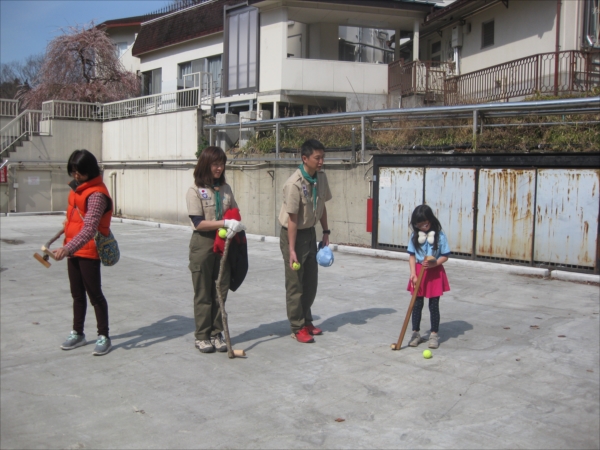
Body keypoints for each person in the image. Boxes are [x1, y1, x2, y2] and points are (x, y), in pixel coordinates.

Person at [53, 149, 114, 356]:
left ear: (90, 170)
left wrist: (67, 248)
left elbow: (89, 229)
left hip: (89, 250)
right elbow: (74, 219)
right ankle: (78, 333)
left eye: (79, 172)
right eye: (72, 171)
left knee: (95, 295)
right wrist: (65, 232)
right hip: (73, 248)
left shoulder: (97, 194)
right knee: (77, 295)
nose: (75, 175)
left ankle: (104, 336)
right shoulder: (77, 189)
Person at [186, 146, 246, 354]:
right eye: (215, 163)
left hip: (224, 244)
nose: (219, 168)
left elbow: (235, 212)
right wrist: (224, 223)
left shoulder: (226, 189)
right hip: (203, 244)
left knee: (220, 289)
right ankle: (202, 336)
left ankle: (216, 332)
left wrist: (235, 224)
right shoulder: (195, 190)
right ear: (205, 164)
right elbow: (198, 223)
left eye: (222, 163)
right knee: (203, 291)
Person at [279, 139, 332, 344]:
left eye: (322, 157)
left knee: (310, 281)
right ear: (305, 158)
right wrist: (291, 250)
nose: (321, 162)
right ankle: (297, 326)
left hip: (310, 233)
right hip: (293, 234)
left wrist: (325, 231)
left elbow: (322, 205)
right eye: (317, 158)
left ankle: (307, 320)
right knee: (295, 283)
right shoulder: (294, 184)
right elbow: (292, 220)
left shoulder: (321, 177)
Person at [406, 205, 451, 349]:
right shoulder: (414, 236)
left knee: (433, 305)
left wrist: (435, 264)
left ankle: (433, 335)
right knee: (417, 304)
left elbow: (445, 256)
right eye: (419, 225)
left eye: (425, 224)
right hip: (419, 271)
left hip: (434, 271)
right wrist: (413, 273)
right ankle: (415, 334)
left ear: (431, 220)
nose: (423, 227)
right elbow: (412, 256)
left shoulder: (440, 236)